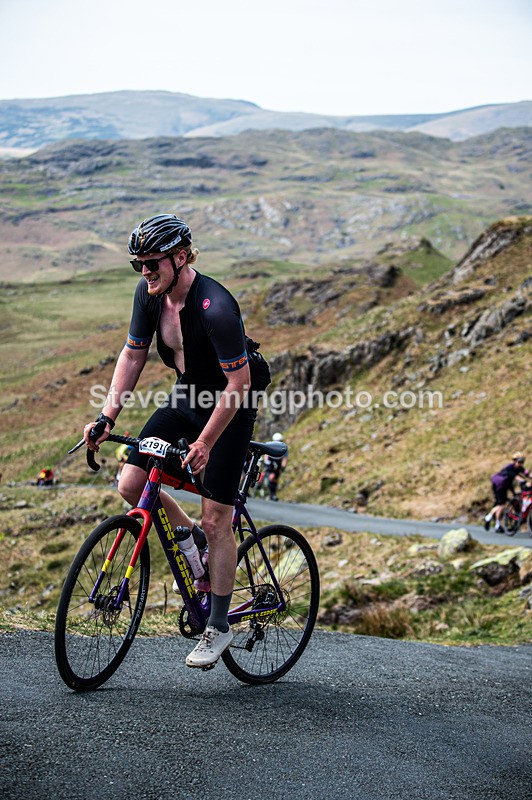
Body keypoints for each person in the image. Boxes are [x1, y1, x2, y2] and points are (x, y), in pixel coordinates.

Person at [83, 213, 259, 668]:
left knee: (219, 516)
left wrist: (204, 442)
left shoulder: (215, 307)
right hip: (189, 393)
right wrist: (107, 416)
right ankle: (193, 537)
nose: (145, 272)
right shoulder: (149, 294)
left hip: (231, 400)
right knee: (132, 483)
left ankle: (218, 626)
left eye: (152, 263)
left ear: (181, 258)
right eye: (138, 264)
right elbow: (133, 354)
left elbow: (237, 385)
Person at [484, 452, 529, 532]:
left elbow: (527, 474)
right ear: (514, 461)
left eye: (522, 461)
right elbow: (516, 477)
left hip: (506, 485)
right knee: (501, 504)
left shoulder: (519, 468)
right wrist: (523, 481)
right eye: (519, 461)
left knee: (502, 504)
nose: (521, 463)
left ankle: (494, 523)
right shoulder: (509, 468)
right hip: (499, 485)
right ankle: (489, 518)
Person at [263, 432, 288, 501]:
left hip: (278, 463)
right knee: (271, 477)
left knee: (275, 479)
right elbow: (266, 455)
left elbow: (285, 458)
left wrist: (282, 467)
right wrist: (267, 463)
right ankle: (271, 493)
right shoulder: (271, 445)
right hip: (271, 462)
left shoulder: (283, 447)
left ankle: (273, 494)